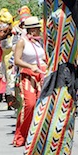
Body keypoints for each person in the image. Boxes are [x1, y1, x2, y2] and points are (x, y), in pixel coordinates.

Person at [11, 17, 48, 146]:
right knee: (30, 104)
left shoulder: (40, 42)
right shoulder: (22, 42)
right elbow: (17, 60)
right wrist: (30, 66)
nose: (39, 30)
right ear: (31, 30)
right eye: (37, 28)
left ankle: (37, 135)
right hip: (27, 75)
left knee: (41, 106)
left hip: (41, 75)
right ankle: (21, 135)